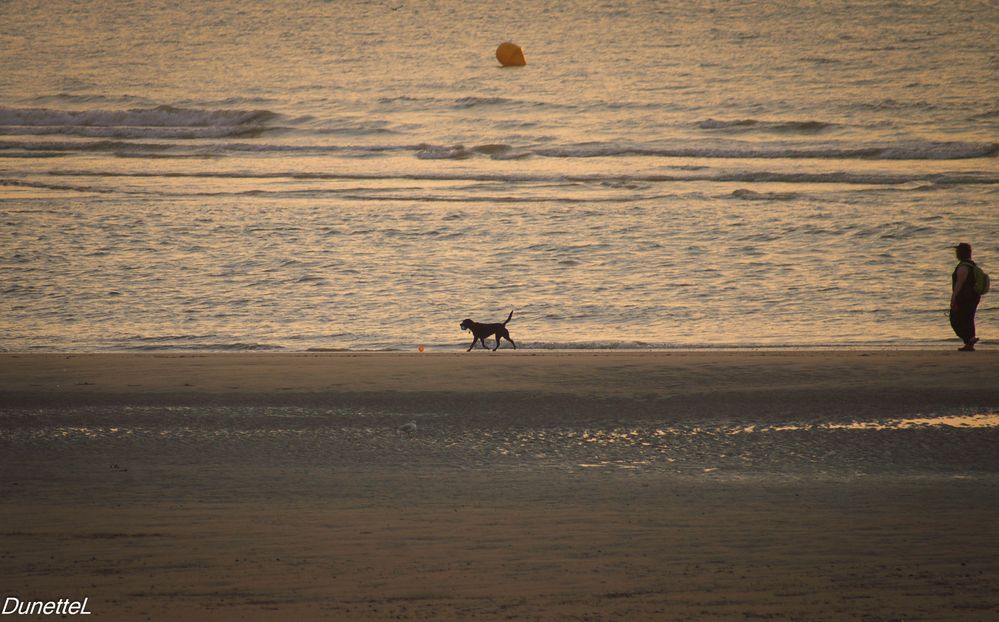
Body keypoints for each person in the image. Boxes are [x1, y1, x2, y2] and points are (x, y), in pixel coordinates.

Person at [950, 242, 981, 351]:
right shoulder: (973, 265)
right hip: (974, 296)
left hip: (964, 298)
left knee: (955, 319)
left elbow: (959, 283)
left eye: (957, 252)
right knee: (968, 319)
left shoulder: (963, 267)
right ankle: (969, 342)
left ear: (960, 253)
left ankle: (969, 340)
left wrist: (953, 298)